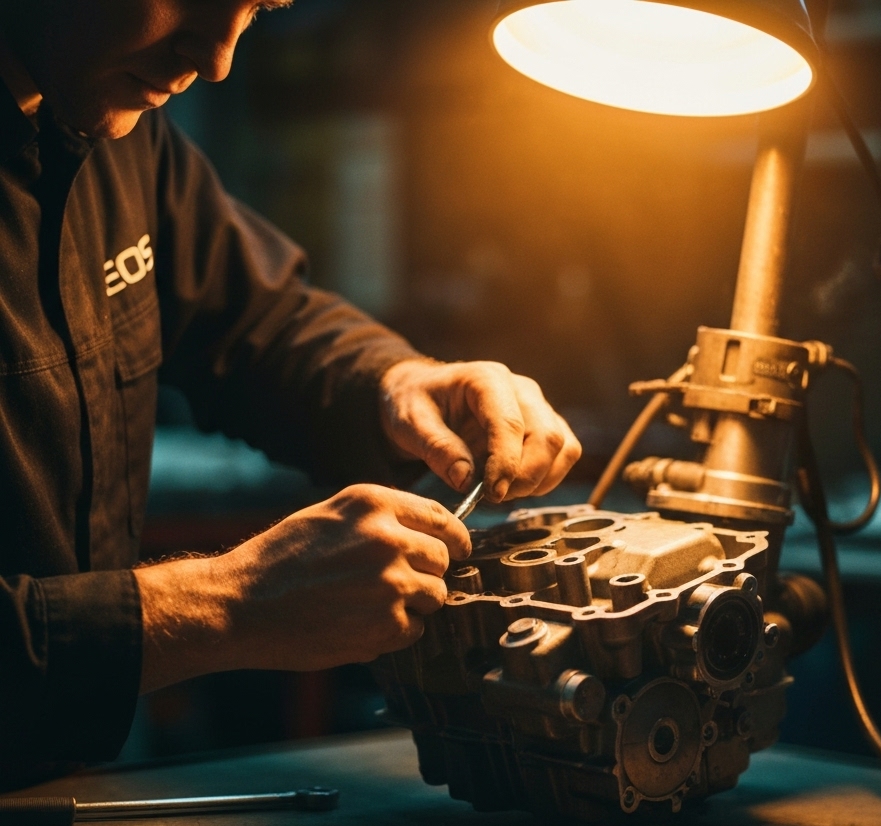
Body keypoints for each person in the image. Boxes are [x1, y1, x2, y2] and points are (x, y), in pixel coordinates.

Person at [0, 0, 581, 779]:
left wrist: (399, 382)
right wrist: (222, 605)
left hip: (73, 791)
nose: (217, 59)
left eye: (256, 7)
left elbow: (257, 320)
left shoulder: (110, 124)